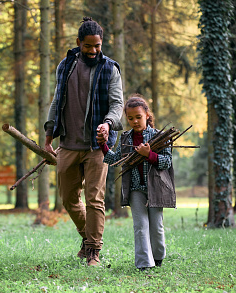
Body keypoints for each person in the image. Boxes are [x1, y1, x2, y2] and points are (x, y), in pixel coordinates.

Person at [44, 17, 124, 266]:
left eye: (97, 46)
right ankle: (88, 238)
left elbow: (117, 104)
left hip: (97, 146)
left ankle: (93, 251)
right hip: (68, 144)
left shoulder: (110, 68)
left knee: (94, 200)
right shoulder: (65, 66)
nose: (93, 50)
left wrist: (108, 123)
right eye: (88, 46)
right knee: (68, 199)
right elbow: (57, 102)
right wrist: (48, 136)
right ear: (79, 43)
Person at [97, 94, 175, 270]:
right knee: (140, 226)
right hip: (135, 189)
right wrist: (103, 145)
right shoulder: (126, 138)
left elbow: (166, 162)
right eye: (130, 118)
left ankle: (158, 257)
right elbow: (114, 159)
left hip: (156, 187)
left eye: (138, 117)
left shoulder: (159, 137)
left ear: (147, 115)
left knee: (156, 226)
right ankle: (144, 264)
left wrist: (149, 155)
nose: (134, 121)